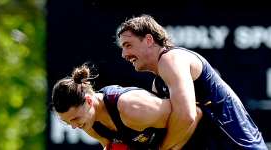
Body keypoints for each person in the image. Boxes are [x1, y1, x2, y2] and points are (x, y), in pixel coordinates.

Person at [116, 14, 268, 150]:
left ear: (149, 40)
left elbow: (187, 116)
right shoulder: (159, 82)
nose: (124, 54)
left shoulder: (171, 59)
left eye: (128, 45)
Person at [50, 64, 202, 150]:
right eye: (68, 123)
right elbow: (112, 147)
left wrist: (164, 149)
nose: (75, 126)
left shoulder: (131, 108)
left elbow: (193, 114)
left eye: (75, 119)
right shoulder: (88, 123)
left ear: (89, 101)